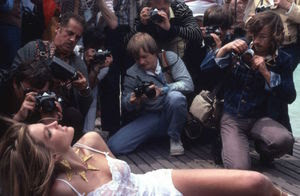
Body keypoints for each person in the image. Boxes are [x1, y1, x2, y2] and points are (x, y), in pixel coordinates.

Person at [0, 117, 291, 196]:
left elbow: (130, 181)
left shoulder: (91, 141)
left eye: (46, 124)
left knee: (255, 182)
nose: (53, 124)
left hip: (158, 183)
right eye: (48, 134)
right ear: (49, 158)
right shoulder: (63, 189)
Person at [201, 11, 295, 169]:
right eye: (254, 35)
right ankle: (225, 143)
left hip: (262, 119)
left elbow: (290, 96)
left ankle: (264, 150)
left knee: (284, 140)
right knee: (239, 169)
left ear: (275, 36)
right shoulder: (238, 46)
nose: (256, 41)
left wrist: (267, 73)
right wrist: (224, 49)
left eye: (263, 36)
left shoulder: (284, 60)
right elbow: (204, 71)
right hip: (233, 117)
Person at [108, 32, 193, 156]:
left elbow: (188, 84)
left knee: (176, 98)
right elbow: (125, 103)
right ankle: (156, 136)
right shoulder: (132, 72)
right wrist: (132, 101)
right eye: (137, 58)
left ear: (154, 52)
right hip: (152, 116)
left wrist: (162, 90)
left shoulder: (169, 58)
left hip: (174, 111)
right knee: (114, 146)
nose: (141, 62)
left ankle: (175, 137)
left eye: (144, 56)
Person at [12, 12, 93, 138]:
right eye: (70, 33)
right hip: (27, 108)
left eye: (77, 37)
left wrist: (84, 89)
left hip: (57, 115)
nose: (72, 40)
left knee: (74, 115)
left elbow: (84, 108)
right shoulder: (33, 49)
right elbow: (13, 80)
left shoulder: (78, 64)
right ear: (58, 29)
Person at [126, 0, 203, 58]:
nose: (159, 13)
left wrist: (171, 28)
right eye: (155, 10)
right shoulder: (144, 11)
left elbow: (197, 34)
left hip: (178, 53)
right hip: (151, 53)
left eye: (163, 9)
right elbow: (127, 42)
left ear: (169, 4)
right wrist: (142, 25)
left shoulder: (179, 8)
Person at [244, 0, 300, 71]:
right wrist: (255, 20)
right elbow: (246, 19)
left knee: (281, 78)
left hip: (288, 48)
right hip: (261, 48)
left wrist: (289, 7)